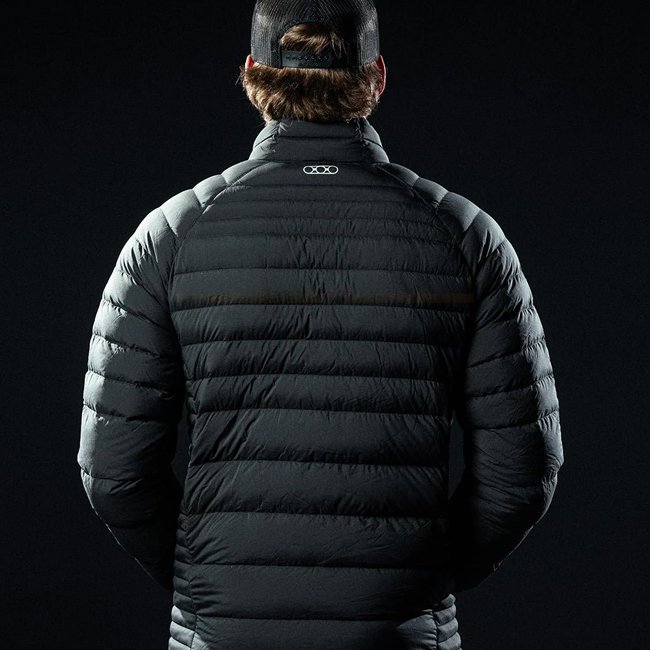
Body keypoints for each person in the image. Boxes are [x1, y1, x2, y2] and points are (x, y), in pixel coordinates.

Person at [77, 1, 565, 648]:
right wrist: (419, 579)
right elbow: (522, 474)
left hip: (223, 629)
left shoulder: (170, 235)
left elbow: (115, 474)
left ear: (253, 76)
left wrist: (210, 579)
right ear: (377, 76)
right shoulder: (464, 235)